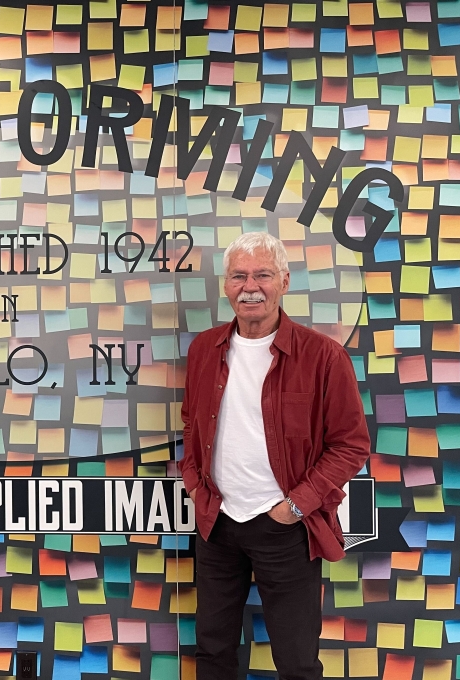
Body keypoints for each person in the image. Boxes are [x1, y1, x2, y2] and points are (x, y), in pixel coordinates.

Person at [178, 232, 370, 680]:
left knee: (297, 661)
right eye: (239, 276)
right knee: (213, 652)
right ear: (226, 285)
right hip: (217, 522)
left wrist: (296, 505)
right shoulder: (204, 349)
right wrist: (196, 486)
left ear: (283, 280)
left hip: (287, 528)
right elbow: (192, 425)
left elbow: (351, 444)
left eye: (262, 274)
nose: (251, 286)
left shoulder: (323, 356)